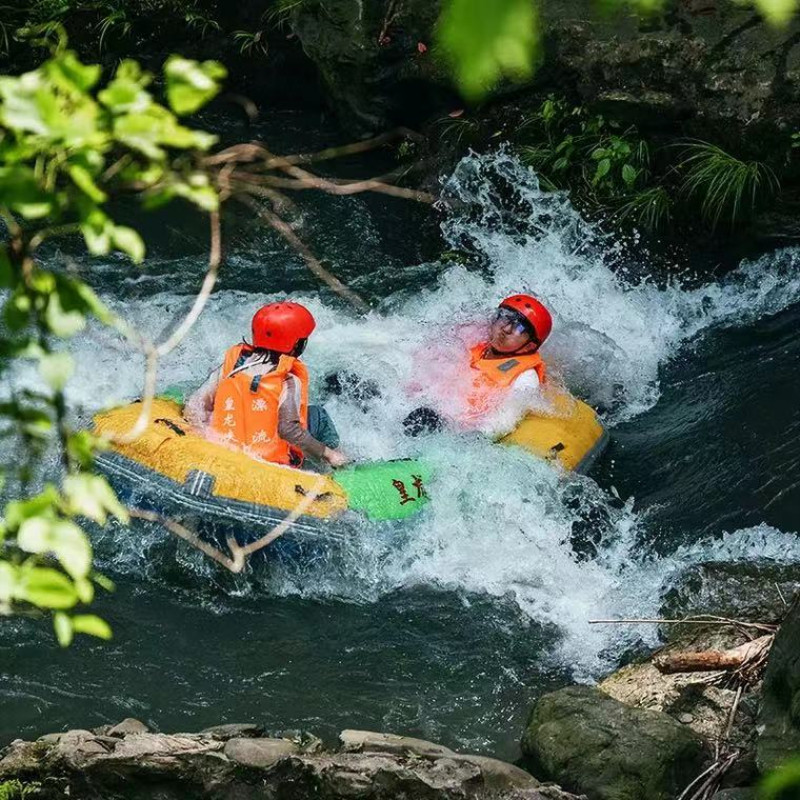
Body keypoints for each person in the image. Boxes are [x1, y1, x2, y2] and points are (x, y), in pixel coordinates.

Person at [185, 301, 349, 468]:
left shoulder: (233, 365)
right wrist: (329, 454)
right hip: (268, 461)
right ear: (296, 344)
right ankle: (337, 462)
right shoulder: (288, 381)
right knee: (318, 414)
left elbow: (195, 405)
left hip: (223, 447)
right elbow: (288, 430)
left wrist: (202, 434)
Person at [403, 293, 552, 436]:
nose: (506, 329)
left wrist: (455, 432)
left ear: (530, 346)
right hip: (434, 408)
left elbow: (502, 422)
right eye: (505, 318)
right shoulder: (474, 343)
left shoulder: (526, 378)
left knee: (424, 418)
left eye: (519, 328)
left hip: (457, 430)